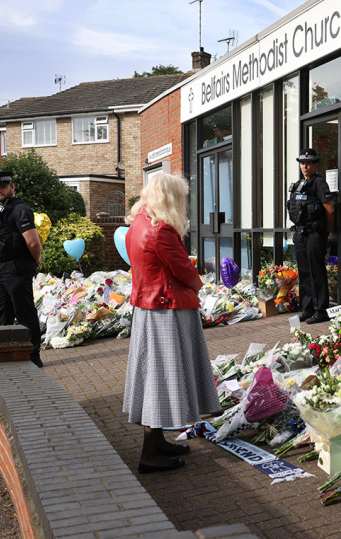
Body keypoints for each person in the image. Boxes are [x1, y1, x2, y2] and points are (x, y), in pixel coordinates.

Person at [123, 173, 221, 474]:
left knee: (154, 377)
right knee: (162, 379)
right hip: (167, 308)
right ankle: (150, 455)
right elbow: (184, 271)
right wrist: (200, 282)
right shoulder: (160, 231)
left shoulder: (138, 224)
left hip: (148, 307)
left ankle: (158, 444)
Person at [0, 171, 43, 367]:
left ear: (12, 187)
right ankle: (6, 352)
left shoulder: (20, 209)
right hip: (1, 268)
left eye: (2, 186)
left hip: (17, 266)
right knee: (1, 312)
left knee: (24, 312)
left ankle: (33, 356)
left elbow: (33, 242)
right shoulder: (1, 209)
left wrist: (37, 260)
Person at [288, 147, 334, 324]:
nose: (305, 166)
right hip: (300, 234)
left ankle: (321, 310)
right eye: (302, 163)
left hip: (315, 233)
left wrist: (325, 231)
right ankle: (307, 309)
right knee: (305, 272)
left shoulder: (319, 183)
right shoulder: (299, 184)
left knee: (316, 272)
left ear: (315, 164)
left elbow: (330, 209)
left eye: (308, 163)